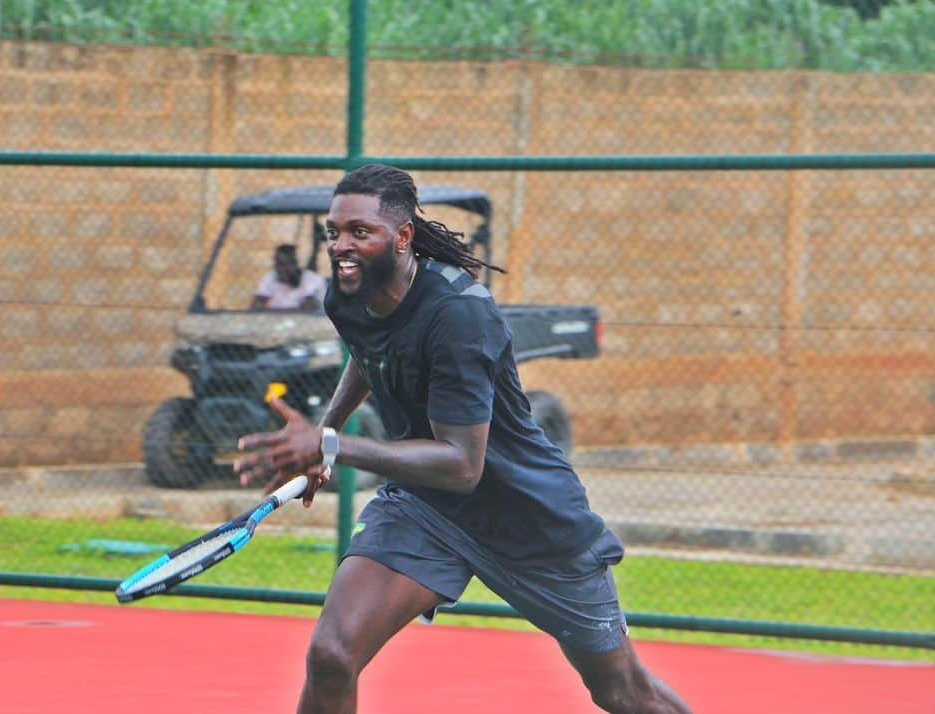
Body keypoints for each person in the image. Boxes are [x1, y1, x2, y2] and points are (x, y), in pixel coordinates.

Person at [235, 164, 691, 714]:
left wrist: (330, 445)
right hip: (425, 509)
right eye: (333, 232)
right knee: (332, 655)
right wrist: (325, 431)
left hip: (525, 517)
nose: (341, 245)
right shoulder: (349, 294)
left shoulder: (459, 315)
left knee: (622, 692)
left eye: (360, 231)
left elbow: (462, 464)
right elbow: (368, 350)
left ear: (402, 237)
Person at [251, 243, 327, 312]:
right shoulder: (271, 277)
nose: (280, 269)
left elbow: (307, 310)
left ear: (295, 264)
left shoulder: (311, 279)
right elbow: (257, 306)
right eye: (278, 264)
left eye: (284, 264)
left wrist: (272, 312)